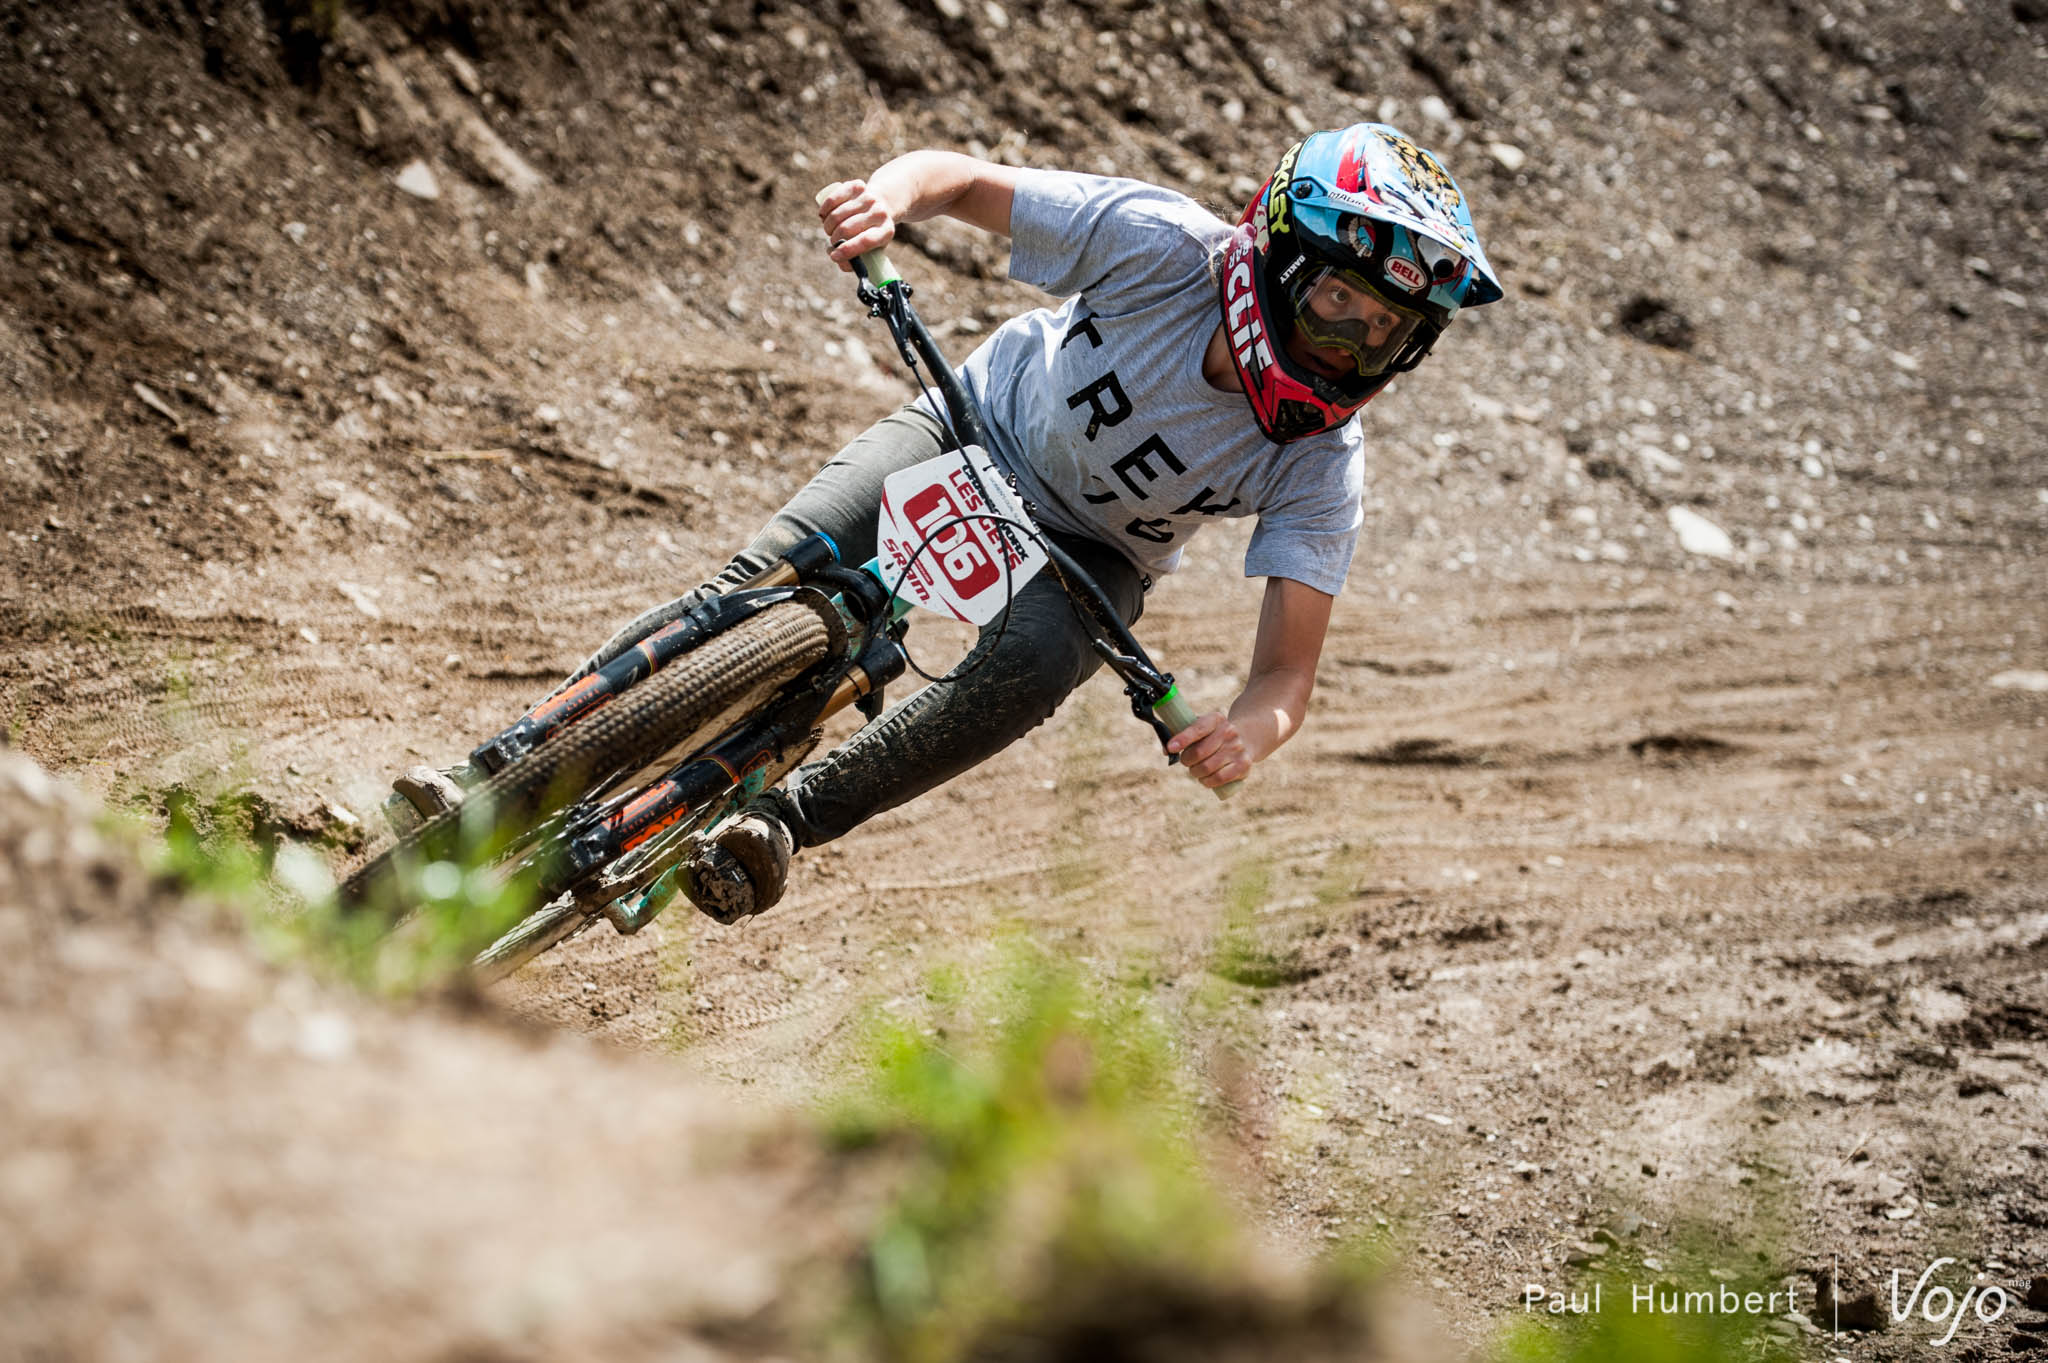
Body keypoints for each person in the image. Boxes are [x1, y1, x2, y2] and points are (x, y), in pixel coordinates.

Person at [394, 123, 1502, 923]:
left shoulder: (1321, 460)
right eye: (1333, 306)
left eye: (1380, 333)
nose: (1344, 346)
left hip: (1095, 556)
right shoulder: (1161, 247)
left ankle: (781, 825)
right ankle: (514, 756)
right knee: (765, 571)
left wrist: (1244, 732)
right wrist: (888, 200)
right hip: (969, 426)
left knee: (1024, 674)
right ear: (1270, 257)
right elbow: (960, 177)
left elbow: (1286, 677)